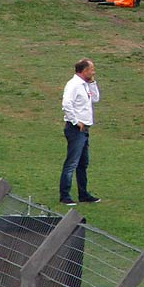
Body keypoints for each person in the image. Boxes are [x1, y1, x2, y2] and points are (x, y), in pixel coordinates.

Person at [60, 58, 100, 205]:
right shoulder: (74, 85)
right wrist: (76, 121)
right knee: (72, 163)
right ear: (84, 71)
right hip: (76, 129)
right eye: (91, 69)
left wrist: (92, 83)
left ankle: (83, 194)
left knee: (83, 163)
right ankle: (65, 196)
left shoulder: (85, 85)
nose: (93, 72)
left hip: (84, 130)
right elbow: (66, 104)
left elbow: (95, 99)